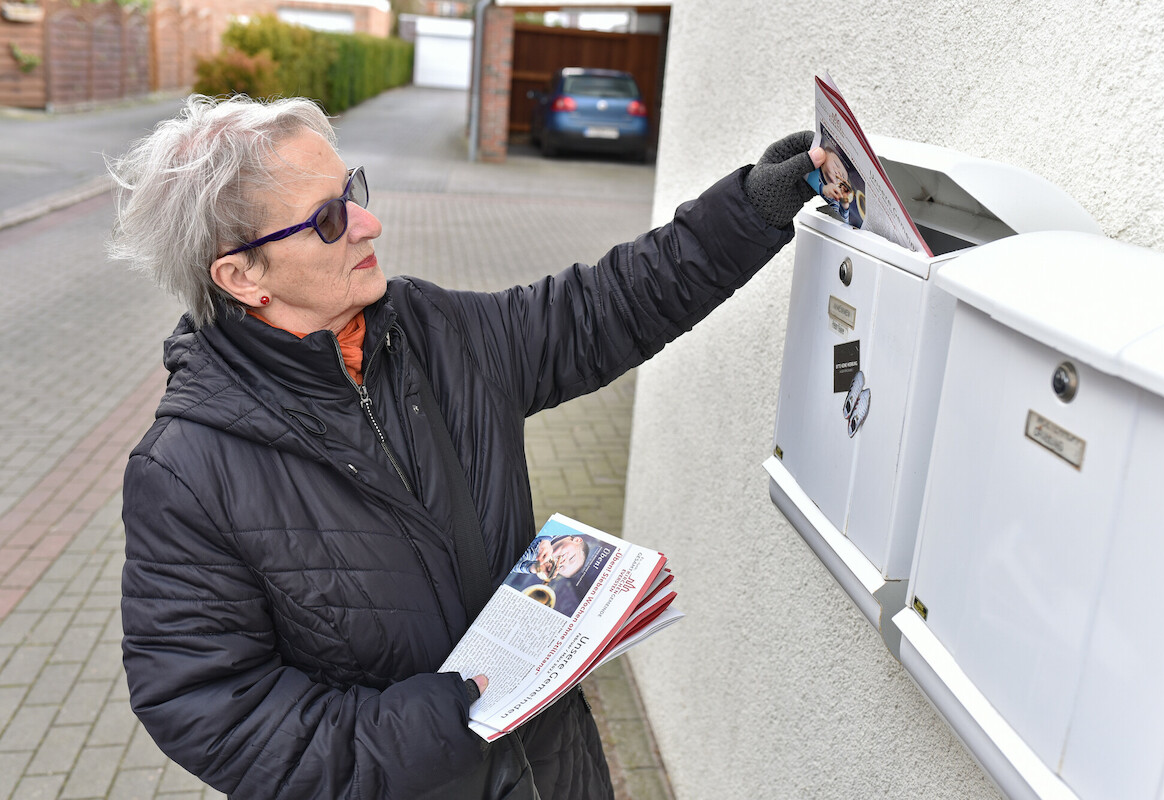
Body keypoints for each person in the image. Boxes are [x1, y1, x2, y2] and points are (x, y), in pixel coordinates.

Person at [108, 93, 821, 800]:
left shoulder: (432, 330)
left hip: (552, 770)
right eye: (328, 219)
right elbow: (213, 709)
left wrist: (749, 212)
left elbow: (598, 311)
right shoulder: (184, 471)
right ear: (243, 277)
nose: (368, 222)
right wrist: (438, 723)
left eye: (351, 190)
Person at [515, 534, 590, 581]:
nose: (563, 562)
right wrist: (545, 540)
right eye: (571, 558)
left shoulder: (535, 557)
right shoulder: (562, 528)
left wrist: (533, 568)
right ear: (577, 540)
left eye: (561, 567)